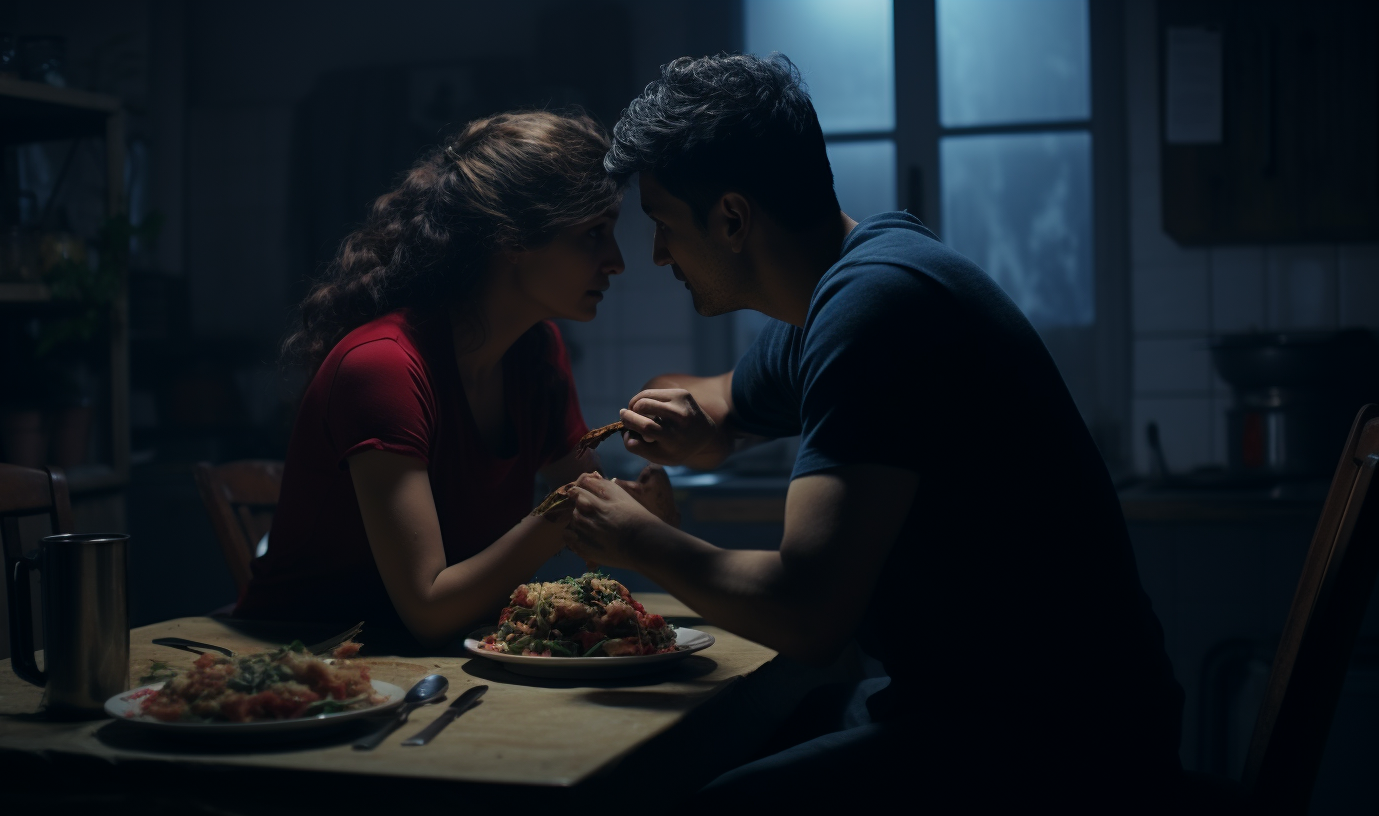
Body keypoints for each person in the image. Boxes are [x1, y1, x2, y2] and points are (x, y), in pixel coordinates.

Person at [561, 55, 1184, 810]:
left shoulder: (876, 312)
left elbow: (809, 611)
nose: (657, 256)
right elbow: (722, 409)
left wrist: (633, 539)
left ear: (731, 218)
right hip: (988, 710)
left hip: (1060, 742)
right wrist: (691, 428)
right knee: (732, 740)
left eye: (663, 227)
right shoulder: (855, 277)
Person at [236, 111, 671, 644]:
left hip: (432, 658)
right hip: (312, 666)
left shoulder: (537, 353)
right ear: (512, 238)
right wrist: (576, 510)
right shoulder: (384, 366)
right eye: (592, 235)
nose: (617, 261)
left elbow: (581, 510)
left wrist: (640, 509)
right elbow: (430, 608)